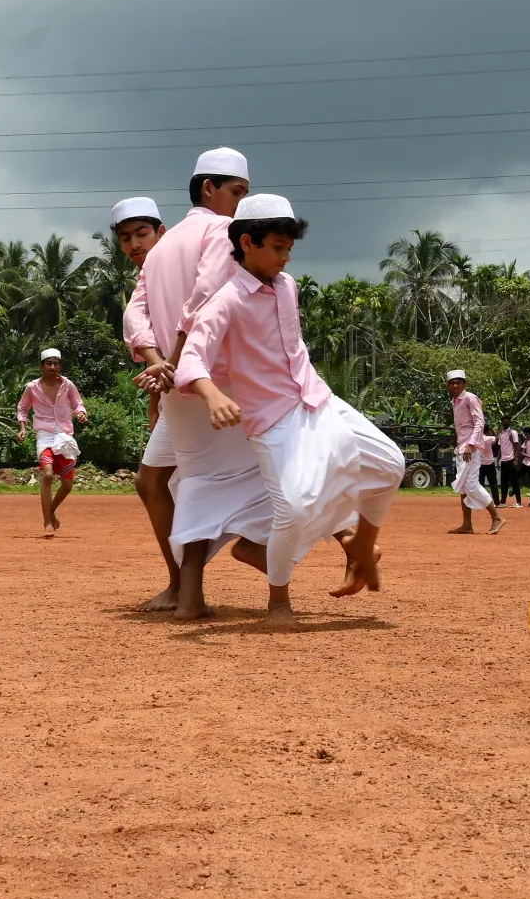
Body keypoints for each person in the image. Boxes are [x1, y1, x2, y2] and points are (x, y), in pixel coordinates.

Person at [176, 194, 401, 623]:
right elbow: (193, 357)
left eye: (289, 249)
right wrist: (213, 395)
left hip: (317, 401)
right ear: (247, 242)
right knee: (294, 511)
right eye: (278, 247)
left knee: (390, 462)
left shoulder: (287, 286)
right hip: (273, 423)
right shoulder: (225, 301)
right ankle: (278, 600)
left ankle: (359, 549)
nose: (285, 257)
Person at [131, 148, 272, 612]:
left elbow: (138, 316)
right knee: (274, 465)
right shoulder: (223, 232)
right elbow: (206, 295)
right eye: (237, 192)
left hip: (185, 386)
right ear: (209, 188)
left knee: (174, 483)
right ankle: (194, 585)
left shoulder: (161, 249)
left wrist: (161, 364)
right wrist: (170, 362)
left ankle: (186, 588)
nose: (241, 203)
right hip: (212, 383)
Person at [109, 197, 178, 596]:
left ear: (161, 233)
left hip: (211, 388)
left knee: (154, 484)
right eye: (125, 238)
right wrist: (159, 373)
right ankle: (182, 584)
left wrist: (160, 364)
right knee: (155, 484)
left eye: (142, 234)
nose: (134, 244)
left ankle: (181, 584)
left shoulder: (173, 272)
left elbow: (139, 326)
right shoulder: (146, 281)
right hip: (179, 391)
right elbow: (138, 324)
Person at [17, 347, 90, 536]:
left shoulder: (68, 385)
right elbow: (23, 409)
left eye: (55, 363)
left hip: (65, 436)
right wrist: (23, 427)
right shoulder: (32, 387)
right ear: (41, 366)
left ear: (60, 366)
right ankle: (47, 522)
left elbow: (77, 403)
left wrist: (81, 413)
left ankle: (50, 510)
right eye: (48, 363)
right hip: (45, 435)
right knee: (48, 475)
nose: (52, 366)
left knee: (67, 484)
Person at [446, 369, 500, 535]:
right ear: (448, 385)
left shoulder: (470, 398)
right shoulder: (455, 401)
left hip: (471, 447)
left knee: (470, 485)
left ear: (465, 384)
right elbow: (463, 425)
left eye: (459, 382)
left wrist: (471, 445)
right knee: (463, 485)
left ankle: (497, 517)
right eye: (452, 382)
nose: (455, 385)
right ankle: (467, 524)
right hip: (462, 447)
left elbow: (479, 422)